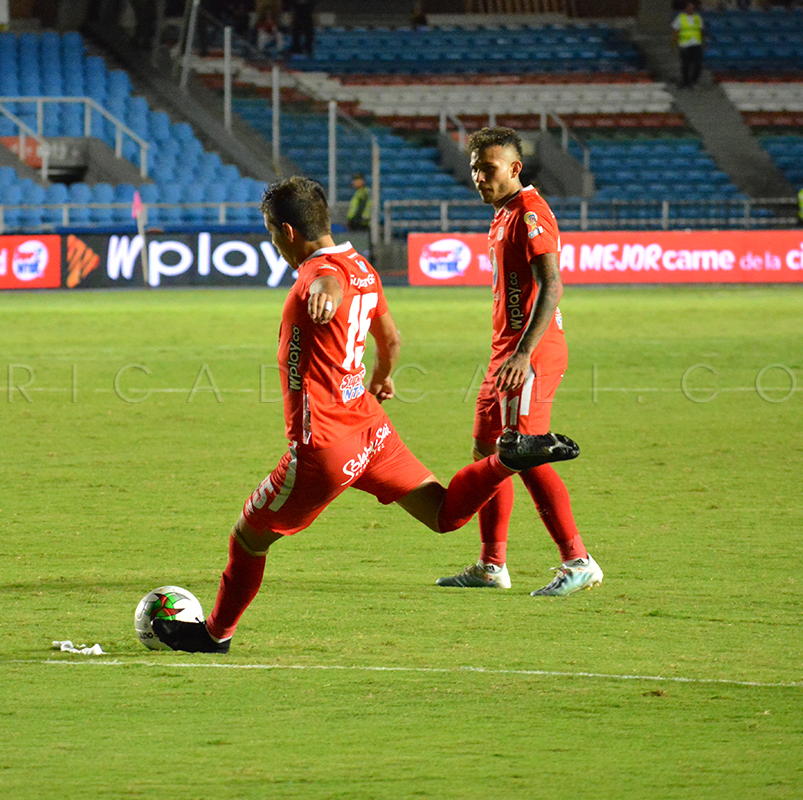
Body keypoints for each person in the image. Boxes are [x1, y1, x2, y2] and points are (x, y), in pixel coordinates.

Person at [152, 176, 580, 653]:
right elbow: (391, 340)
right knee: (442, 514)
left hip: (324, 448)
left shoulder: (319, 278)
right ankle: (507, 461)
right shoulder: (362, 267)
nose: (274, 244)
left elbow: (325, 285)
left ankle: (215, 635)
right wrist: (381, 377)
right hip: (371, 432)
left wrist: (325, 297)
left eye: (273, 234)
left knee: (248, 538)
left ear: (288, 232)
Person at [435, 126, 603, 596]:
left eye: (488, 169)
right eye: (474, 169)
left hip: (530, 353)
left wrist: (524, 352)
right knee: (488, 455)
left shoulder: (530, 212)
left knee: (522, 456)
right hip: (505, 355)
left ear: (515, 167)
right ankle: (491, 566)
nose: (479, 178)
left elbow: (552, 284)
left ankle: (578, 560)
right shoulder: (502, 213)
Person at [671, 1, 705, 90]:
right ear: (686, 8)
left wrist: (703, 43)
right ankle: (685, 83)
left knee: (698, 65)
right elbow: (675, 32)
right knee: (685, 65)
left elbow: (700, 31)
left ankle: (694, 82)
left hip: (696, 44)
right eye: (689, 7)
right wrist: (674, 44)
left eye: (692, 8)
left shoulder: (698, 18)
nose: (691, 9)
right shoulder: (680, 18)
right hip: (685, 45)